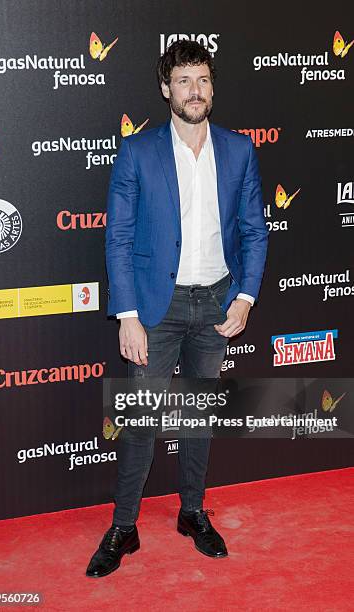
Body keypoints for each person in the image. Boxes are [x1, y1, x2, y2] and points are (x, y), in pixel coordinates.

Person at [86, 39, 268, 578]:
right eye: (185, 81)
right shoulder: (138, 153)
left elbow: (255, 231)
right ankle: (123, 526)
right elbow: (118, 238)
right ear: (166, 89)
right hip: (155, 310)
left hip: (215, 300)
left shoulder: (239, 150)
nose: (196, 91)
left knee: (196, 418)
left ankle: (193, 512)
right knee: (142, 421)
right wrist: (127, 315)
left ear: (213, 88)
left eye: (204, 80)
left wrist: (246, 295)